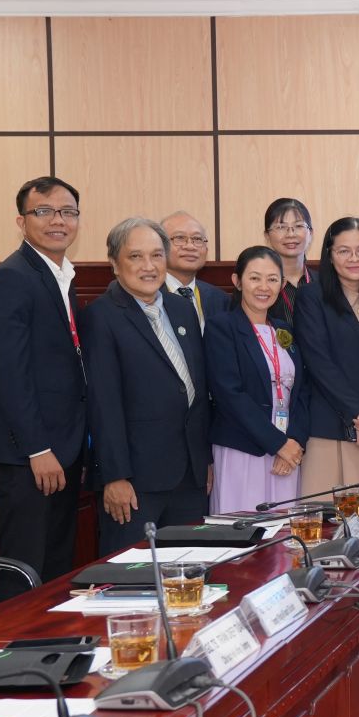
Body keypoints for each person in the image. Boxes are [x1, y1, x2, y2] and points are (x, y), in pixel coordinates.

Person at [0, 177, 88, 599]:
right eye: (44, 212)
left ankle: (49, 640)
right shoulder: (11, 278)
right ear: (22, 222)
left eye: (68, 212)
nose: (58, 221)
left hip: (62, 449)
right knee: (25, 571)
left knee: (56, 568)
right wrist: (37, 449)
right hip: (29, 456)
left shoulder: (60, 275)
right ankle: (14, 642)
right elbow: (11, 375)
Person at [82, 218, 210, 554]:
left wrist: (205, 460)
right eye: (136, 256)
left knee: (189, 569)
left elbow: (197, 391)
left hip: (190, 476)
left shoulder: (182, 309)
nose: (149, 266)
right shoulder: (101, 316)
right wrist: (115, 476)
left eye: (156, 255)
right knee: (132, 573)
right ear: (114, 263)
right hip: (135, 482)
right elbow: (103, 403)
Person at [294, 218, 359, 499]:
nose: (354, 258)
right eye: (344, 251)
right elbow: (319, 363)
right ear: (330, 255)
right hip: (330, 430)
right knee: (328, 521)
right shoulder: (311, 297)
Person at [205, 246, 311, 514]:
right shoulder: (222, 327)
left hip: (286, 452)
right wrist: (277, 443)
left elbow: (302, 391)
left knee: (284, 528)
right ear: (237, 281)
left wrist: (294, 441)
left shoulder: (284, 330)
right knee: (244, 528)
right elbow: (229, 394)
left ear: (282, 285)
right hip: (243, 448)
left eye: (272, 279)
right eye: (254, 278)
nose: (264, 287)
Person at [160, 211, 229, 326]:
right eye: (179, 238)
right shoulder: (147, 295)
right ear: (159, 246)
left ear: (206, 250)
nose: (190, 246)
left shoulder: (220, 300)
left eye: (197, 239)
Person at [263, 197, 316, 321]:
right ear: (267, 236)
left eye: (298, 226)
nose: (291, 234)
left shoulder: (325, 284)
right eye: (281, 227)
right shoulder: (260, 287)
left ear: (310, 233)